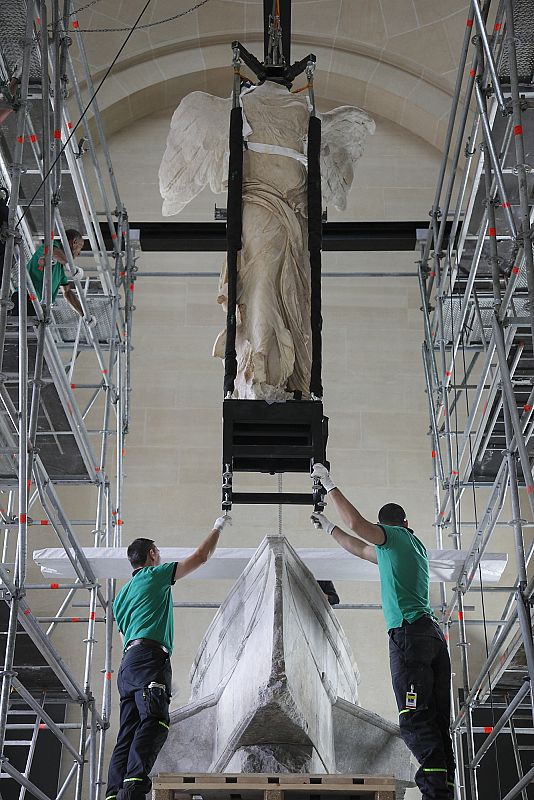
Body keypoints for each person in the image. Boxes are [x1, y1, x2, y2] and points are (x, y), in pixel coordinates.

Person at [310, 463, 455, 800]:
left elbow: (358, 526)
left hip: (410, 636)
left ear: (394, 527)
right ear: (406, 523)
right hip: (431, 637)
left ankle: (435, 795)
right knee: (434, 722)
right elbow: (359, 547)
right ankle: (445, 792)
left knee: (415, 720)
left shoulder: (397, 538)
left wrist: (330, 484)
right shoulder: (409, 549)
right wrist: (328, 526)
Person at [105, 515, 231, 800]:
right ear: (152, 555)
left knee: (129, 729)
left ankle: (113, 793)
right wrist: (217, 528)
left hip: (128, 665)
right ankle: (134, 784)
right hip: (150, 657)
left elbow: (125, 637)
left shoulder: (122, 596)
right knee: (156, 719)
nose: (159, 556)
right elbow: (200, 557)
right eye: (158, 552)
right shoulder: (154, 574)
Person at [10, 228, 87, 318]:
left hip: (35, 304)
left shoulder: (60, 270)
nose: (79, 253)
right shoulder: (50, 246)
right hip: (27, 298)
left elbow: (67, 292)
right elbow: (52, 251)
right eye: (80, 247)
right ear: (74, 242)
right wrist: (69, 265)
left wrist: (83, 314)